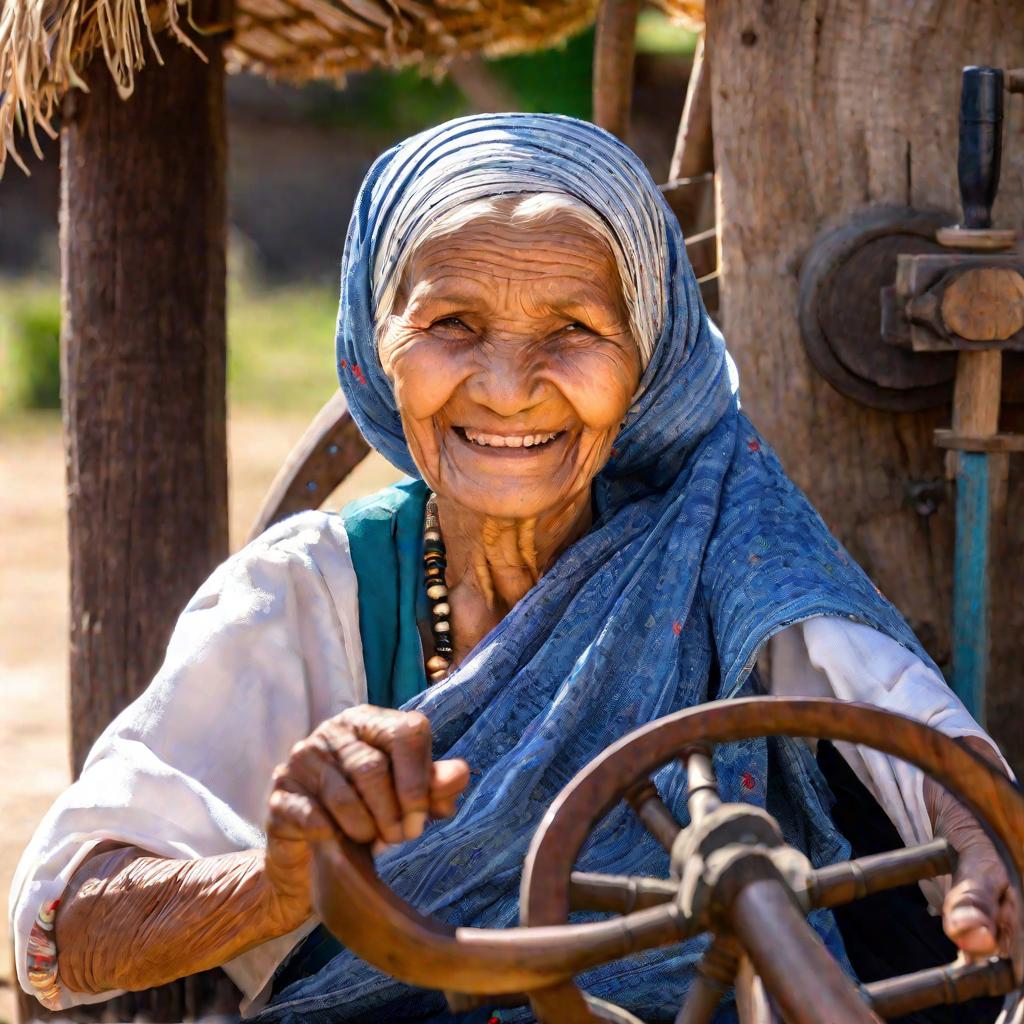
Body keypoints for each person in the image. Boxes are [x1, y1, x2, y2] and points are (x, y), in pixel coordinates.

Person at [11, 114, 1014, 1024]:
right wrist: (277, 882)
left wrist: (980, 854)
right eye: (450, 325)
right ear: (376, 346)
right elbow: (70, 931)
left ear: (647, 358)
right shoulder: (312, 588)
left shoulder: (722, 542)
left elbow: (920, 748)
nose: (505, 388)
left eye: (574, 330)